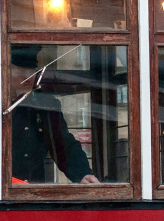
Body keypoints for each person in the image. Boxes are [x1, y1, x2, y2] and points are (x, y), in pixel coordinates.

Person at [10, 45, 98, 185]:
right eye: (21, 71)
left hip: (33, 186)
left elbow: (63, 144)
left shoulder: (45, 104)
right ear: (6, 72)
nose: (28, 77)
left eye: (32, 71)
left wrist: (82, 173)